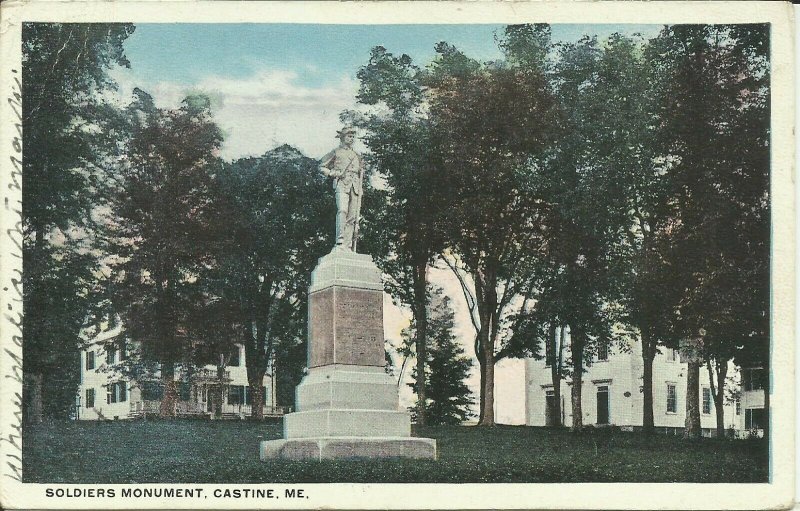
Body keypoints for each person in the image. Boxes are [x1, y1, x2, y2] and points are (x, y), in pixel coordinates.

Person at [319, 126, 364, 251]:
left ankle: (348, 244)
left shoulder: (357, 155)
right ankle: (340, 240)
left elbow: (360, 172)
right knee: (342, 211)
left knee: (353, 216)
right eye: (349, 136)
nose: (351, 139)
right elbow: (321, 167)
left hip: (355, 186)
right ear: (343, 137)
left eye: (353, 136)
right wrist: (333, 173)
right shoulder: (336, 152)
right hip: (342, 184)